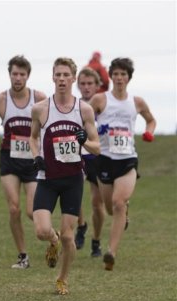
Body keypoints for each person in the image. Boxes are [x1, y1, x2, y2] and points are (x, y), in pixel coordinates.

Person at [29, 57, 100, 295]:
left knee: (70, 236)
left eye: (65, 75)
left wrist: (84, 141)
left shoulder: (84, 109)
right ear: (53, 77)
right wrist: (35, 155)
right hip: (47, 178)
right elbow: (32, 137)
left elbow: (97, 147)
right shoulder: (40, 108)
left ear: (73, 79)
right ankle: (52, 240)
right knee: (41, 230)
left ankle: (62, 278)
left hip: (72, 179)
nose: (61, 79)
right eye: (57, 75)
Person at [0, 55, 47, 269]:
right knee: (14, 209)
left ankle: (54, 238)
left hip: (33, 161)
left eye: (22, 74)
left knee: (33, 211)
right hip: (9, 160)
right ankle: (23, 256)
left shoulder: (39, 98)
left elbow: (49, 127)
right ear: (9, 74)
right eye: (15, 73)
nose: (18, 78)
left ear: (28, 76)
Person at [89, 57, 156, 271]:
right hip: (105, 159)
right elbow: (84, 118)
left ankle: (111, 252)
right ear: (111, 76)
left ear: (129, 78)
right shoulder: (100, 100)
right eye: (116, 74)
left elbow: (151, 119)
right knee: (110, 208)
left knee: (119, 203)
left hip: (127, 158)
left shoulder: (136, 102)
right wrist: (93, 133)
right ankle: (123, 213)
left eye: (123, 74)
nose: (119, 78)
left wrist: (149, 132)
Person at [75, 67, 106, 257]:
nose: (86, 88)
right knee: (73, 195)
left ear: (97, 86)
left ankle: (96, 240)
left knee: (97, 204)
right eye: (83, 84)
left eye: (90, 84)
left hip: (97, 157)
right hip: (77, 155)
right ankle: (81, 226)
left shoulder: (105, 106)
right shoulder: (73, 105)